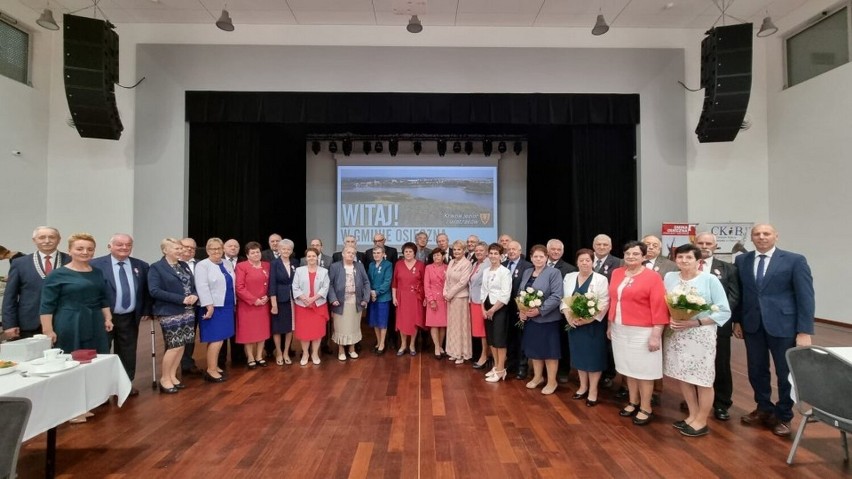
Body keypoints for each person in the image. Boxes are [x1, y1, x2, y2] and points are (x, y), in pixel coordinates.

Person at [733, 224, 815, 437]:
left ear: (776, 236)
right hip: (753, 324)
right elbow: (741, 294)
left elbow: (805, 297)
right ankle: (763, 408)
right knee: (756, 369)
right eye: (757, 234)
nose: (761, 237)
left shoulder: (794, 260)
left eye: (766, 233)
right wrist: (737, 321)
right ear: (751, 238)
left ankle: (784, 415)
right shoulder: (742, 260)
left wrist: (804, 331)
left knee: (784, 372)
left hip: (784, 326)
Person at [40, 233, 113, 423]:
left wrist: (107, 318)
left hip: (94, 320)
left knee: (92, 362)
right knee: (71, 363)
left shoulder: (96, 272)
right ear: (70, 250)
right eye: (80, 249)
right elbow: (47, 305)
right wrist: (48, 330)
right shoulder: (58, 274)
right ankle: (69, 409)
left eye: (89, 249)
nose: (85, 252)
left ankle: (84, 403)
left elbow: (102, 298)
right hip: (69, 321)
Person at [664, 243, 731, 437]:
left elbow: (723, 310)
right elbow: (665, 302)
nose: (684, 261)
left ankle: (702, 420)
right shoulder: (670, 277)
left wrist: (695, 323)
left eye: (689, 258)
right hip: (677, 333)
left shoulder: (709, 280)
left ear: (698, 261)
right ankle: (692, 415)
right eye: (680, 257)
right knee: (683, 375)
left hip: (700, 334)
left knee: (703, 378)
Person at [607, 240, 669, 425]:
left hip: (643, 331)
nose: (631, 257)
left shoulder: (652, 277)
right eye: (628, 254)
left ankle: (645, 407)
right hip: (620, 328)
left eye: (635, 254)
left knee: (644, 371)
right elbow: (613, 301)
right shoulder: (617, 273)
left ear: (644, 257)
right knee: (628, 368)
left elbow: (659, 307)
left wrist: (656, 334)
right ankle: (632, 401)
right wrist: (610, 325)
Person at [90, 233, 151, 395]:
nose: (124, 248)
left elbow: (145, 291)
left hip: (130, 317)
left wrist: (145, 310)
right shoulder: (95, 265)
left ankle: (125, 384)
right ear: (110, 246)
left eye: (128, 245)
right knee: (102, 351)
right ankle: (101, 388)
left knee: (128, 351)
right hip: (104, 317)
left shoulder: (141, 266)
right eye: (119, 244)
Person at [693, 232, 740, 421]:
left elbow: (734, 296)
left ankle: (721, 403)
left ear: (715, 246)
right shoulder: (687, 266)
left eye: (708, 243)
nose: (704, 246)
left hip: (718, 325)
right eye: (701, 243)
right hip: (691, 325)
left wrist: (713, 316)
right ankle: (696, 400)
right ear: (695, 244)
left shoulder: (728, 268)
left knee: (720, 364)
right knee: (694, 363)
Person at [560, 248, 610, 406]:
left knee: (594, 358)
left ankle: (593, 390)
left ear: (593, 262)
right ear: (577, 262)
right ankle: (582, 387)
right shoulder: (569, 277)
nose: (584, 263)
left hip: (593, 326)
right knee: (579, 356)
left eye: (588, 260)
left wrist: (589, 320)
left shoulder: (600, 279)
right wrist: (568, 316)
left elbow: (604, 302)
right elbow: (564, 299)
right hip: (574, 325)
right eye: (581, 260)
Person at [148, 237, 198, 394]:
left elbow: (193, 285)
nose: (181, 251)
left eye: (181, 248)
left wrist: (195, 295)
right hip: (170, 311)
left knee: (181, 345)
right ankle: (165, 379)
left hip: (188, 310)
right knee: (174, 346)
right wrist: (181, 299)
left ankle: (172, 376)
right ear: (165, 250)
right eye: (177, 249)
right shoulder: (156, 268)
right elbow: (154, 290)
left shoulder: (183, 265)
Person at [2, 227, 70, 339]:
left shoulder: (70, 260)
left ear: (59, 239)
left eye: (52, 237)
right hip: (29, 323)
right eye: (42, 237)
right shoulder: (20, 263)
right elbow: (10, 296)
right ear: (34, 240)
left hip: (63, 321)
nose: (47, 241)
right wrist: (9, 324)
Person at [517, 245, 564, 395]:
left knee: (550, 352)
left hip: (547, 319)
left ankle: (552, 381)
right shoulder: (527, 272)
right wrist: (521, 311)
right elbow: (520, 293)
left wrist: (539, 310)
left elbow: (557, 296)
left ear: (547, 258)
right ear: (531, 258)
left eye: (541, 257)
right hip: (530, 320)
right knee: (534, 350)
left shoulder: (554, 272)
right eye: (535, 256)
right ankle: (538, 377)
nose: (538, 259)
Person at [193, 237, 235, 383]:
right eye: (212, 249)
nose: (216, 251)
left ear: (223, 249)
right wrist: (208, 306)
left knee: (221, 338)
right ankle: (210, 370)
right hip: (213, 307)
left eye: (218, 248)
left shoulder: (227, 263)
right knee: (215, 338)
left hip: (227, 305)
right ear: (207, 250)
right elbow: (202, 286)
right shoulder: (202, 265)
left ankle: (214, 366)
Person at [328, 245, 370, 361]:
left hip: (355, 302)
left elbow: (366, 282)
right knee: (340, 328)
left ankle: (352, 349)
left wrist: (365, 298)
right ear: (343, 254)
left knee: (353, 327)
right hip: (339, 303)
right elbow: (330, 284)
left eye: (353, 253)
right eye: (348, 252)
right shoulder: (335, 266)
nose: (351, 255)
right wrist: (333, 298)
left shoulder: (360, 266)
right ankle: (341, 350)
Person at [592, 233, 623, 391]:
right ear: (594, 246)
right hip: (589, 312)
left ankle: (608, 375)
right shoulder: (587, 260)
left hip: (610, 311)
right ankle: (592, 371)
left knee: (608, 344)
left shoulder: (618, 263)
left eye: (605, 245)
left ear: (610, 247)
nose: (602, 247)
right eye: (599, 244)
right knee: (594, 343)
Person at [235, 241, 272, 368]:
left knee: (262, 331)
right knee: (248, 333)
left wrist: (267, 296)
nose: (256, 254)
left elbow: (271, 283)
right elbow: (239, 287)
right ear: (247, 255)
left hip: (264, 304)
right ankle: (250, 357)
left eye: (257, 252)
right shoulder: (241, 266)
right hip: (247, 306)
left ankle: (259, 356)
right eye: (252, 252)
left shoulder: (267, 265)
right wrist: (254, 300)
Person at [546, 238, 577, 384]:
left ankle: (563, 371)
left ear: (563, 252)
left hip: (561, 313)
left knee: (563, 342)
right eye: (553, 249)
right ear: (548, 251)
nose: (556, 252)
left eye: (559, 250)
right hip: (543, 313)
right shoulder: (540, 266)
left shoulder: (570, 269)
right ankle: (547, 371)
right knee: (547, 341)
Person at [292, 247, 330, 366]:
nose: (311, 258)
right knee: (304, 332)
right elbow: (295, 287)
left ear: (317, 257)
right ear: (306, 258)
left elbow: (325, 287)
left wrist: (313, 299)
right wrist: (305, 299)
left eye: (313, 256)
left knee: (317, 331)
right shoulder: (299, 270)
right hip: (302, 306)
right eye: (309, 256)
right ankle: (305, 353)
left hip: (318, 306)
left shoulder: (324, 271)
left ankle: (314, 353)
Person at [481, 243, 512, 382]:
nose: (493, 256)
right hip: (487, 307)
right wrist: (483, 308)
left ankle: (501, 369)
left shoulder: (504, 272)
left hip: (499, 308)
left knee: (500, 340)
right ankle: (495, 366)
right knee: (491, 340)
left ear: (501, 256)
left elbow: (506, 294)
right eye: (491, 253)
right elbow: (483, 290)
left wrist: (493, 310)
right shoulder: (486, 270)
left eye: (496, 254)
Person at [503, 240, 532, 379]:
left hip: (520, 309)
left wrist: (523, 307)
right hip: (503, 309)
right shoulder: (502, 265)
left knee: (521, 338)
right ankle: (511, 364)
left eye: (514, 249)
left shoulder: (528, 266)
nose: (511, 251)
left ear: (520, 251)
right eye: (509, 249)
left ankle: (522, 367)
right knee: (508, 338)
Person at [268, 238, 299, 365]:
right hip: (279, 300)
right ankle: (279, 353)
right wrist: (273, 304)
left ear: (291, 250)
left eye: (288, 249)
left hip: (293, 299)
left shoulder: (295, 262)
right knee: (277, 328)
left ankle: (286, 352)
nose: (286, 251)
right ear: (279, 250)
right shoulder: (274, 263)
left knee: (289, 328)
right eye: (283, 249)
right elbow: (272, 285)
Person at [392, 242, 425, 356]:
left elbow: (424, 282)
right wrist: (394, 297)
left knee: (414, 321)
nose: (408, 253)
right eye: (406, 251)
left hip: (416, 297)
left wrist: (424, 297)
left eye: (410, 251)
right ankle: (403, 345)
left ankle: (412, 345)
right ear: (403, 253)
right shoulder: (398, 264)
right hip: (401, 297)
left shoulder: (420, 265)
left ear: (414, 253)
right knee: (402, 321)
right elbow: (394, 283)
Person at [219, 238, 246, 368]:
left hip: (241, 301)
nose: (233, 248)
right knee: (223, 330)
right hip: (223, 302)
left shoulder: (244, 261)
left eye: (236, 246)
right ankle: (221, 360)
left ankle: (238, 357)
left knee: (238, 329)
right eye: (230, 246)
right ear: (224, 248)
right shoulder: (218, 262)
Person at [444, 240, 473, 363]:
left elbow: (463, 282)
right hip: (450, 298)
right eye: (454, 249)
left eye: (459, 249)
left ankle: (461, 353)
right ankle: (453, 352)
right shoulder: (451, 262)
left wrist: (450, 294)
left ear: (464, 250)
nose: (456, 251)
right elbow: (447, 279)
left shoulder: (467, 264)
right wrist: (445, 293)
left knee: (460, 326)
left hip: (461, 298)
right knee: (452, 326)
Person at [179, 237, 202, 376]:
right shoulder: (173, 264)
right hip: (181, 306)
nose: (189, 250)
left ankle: (187, 363)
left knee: (191, 336)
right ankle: (174, 365)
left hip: (200, 305)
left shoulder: (201, 264)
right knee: (179, 337)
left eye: (193, 248)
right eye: (186, 247)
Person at [367, 245, 392, 354]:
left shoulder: (388, 265)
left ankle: (382, 343)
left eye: (378, 253)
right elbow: (367, 280)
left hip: (383, 297)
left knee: (382, 321)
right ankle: (378, 342)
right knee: (375, 321)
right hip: (372, 297)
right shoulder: (371, 265)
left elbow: (387, 282)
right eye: (374, 253)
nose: (376, 255)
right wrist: (371, 292)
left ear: (383, 254)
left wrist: (376, 292)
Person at [468, 241, 490, 369]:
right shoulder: (476, 264)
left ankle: (484, 356)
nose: (478, 252)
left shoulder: (487, 264)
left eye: (481, 250)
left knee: (483, 331)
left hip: (482, 302)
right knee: (479, 330)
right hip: (474, 301)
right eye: (477, 251)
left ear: (486, 252)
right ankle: (483, 355)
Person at [424, 248, 448, 358]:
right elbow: (426, 285)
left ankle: (441, 345)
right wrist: (431, 300)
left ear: (443, 256)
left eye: (438, 255)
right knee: (434, 324)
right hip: (432, 298)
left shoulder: (447, 268)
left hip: (444, 299)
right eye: (434, 256)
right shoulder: (428, 268)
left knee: (443, 325)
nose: (436, 257)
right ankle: (436, 347)